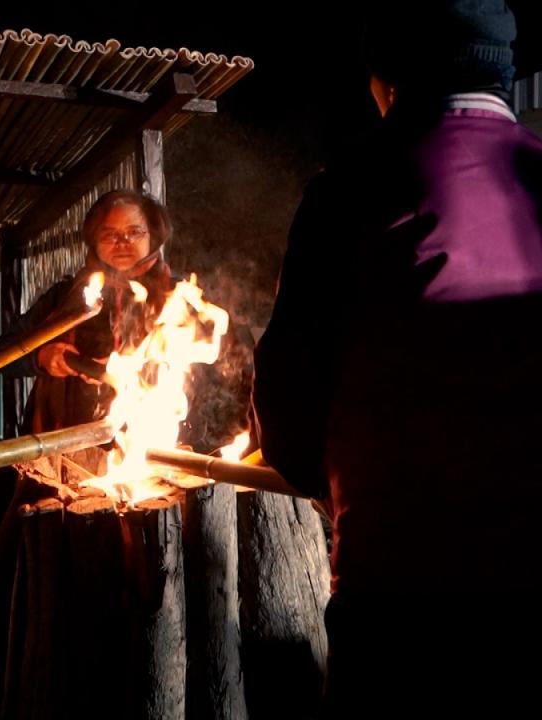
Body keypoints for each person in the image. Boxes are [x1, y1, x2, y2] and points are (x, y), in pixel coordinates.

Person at [252, 1, 542, 716]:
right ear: (504, 78)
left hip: (399, 581)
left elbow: (288, 402)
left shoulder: (348, 187)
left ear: (387, 84)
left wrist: (339, 489)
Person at [1, 189, 176, 434]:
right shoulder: (66, 295)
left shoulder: (180, 299)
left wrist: (128, 369)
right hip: (60, 446)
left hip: (148, 447)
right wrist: (41, 357)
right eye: (109, 234)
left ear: (154, 236)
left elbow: (208, 377)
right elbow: (3, 355)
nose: (122, 243)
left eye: (134, 232)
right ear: (93, 240)